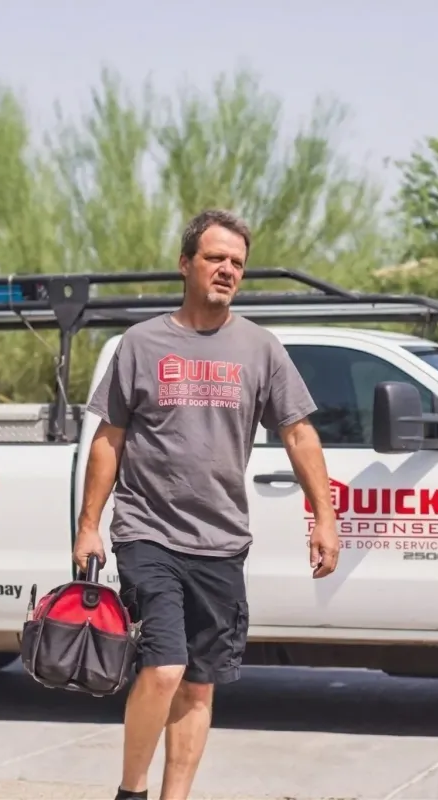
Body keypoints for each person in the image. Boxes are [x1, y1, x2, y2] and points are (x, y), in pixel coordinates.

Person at [72, 208, 339, 800]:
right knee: (164, 668)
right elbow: (108, 440)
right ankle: (131, 791)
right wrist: (89, 526)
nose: (227, 270)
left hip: (221, 542)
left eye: (237, 263)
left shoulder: (260, 348)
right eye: (216, 258)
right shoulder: (141, 344)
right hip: (149, 532)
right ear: (186, 264)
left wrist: (324, 517)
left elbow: (300, 434)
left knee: (198, 685)